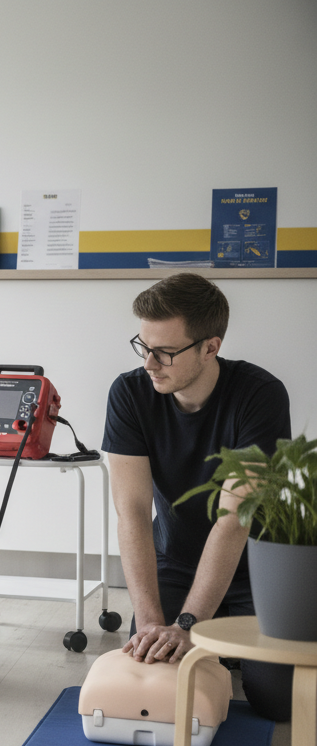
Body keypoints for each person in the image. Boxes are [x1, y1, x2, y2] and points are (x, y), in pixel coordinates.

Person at [103, 272, 292, 721]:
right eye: (143, 346)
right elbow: (131, 512)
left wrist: (187, 624)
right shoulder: (129, 393)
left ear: (211, 347)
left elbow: (235, 519)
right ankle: (214, 648)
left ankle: (222, 647)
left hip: (257, 571)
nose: (150, 363)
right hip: (176, 564)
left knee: (278, 702)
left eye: (166, 352)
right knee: (154, 671)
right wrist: (151, 621)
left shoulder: (260, 395)